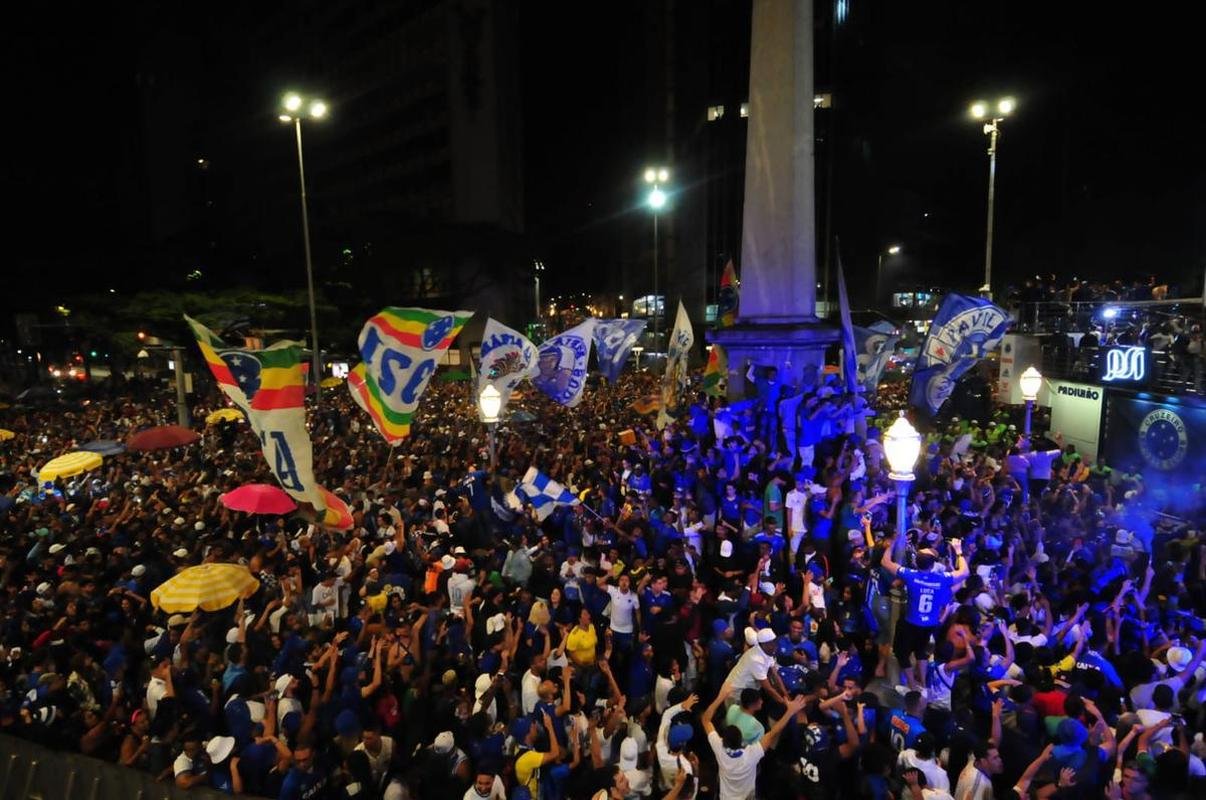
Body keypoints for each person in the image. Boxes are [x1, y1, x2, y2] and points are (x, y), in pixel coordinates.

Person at [881, 534, 969, 687]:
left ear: (916, 561)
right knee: (921, 651)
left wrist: (892, 543)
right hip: (930, 624)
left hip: (910, 623)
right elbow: (964, 573)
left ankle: (912, 685)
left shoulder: (910, 575)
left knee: (902, 654)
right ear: (932, 565)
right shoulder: (941, 579)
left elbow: (885, 562)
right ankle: (922, 683)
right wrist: (958, 551)